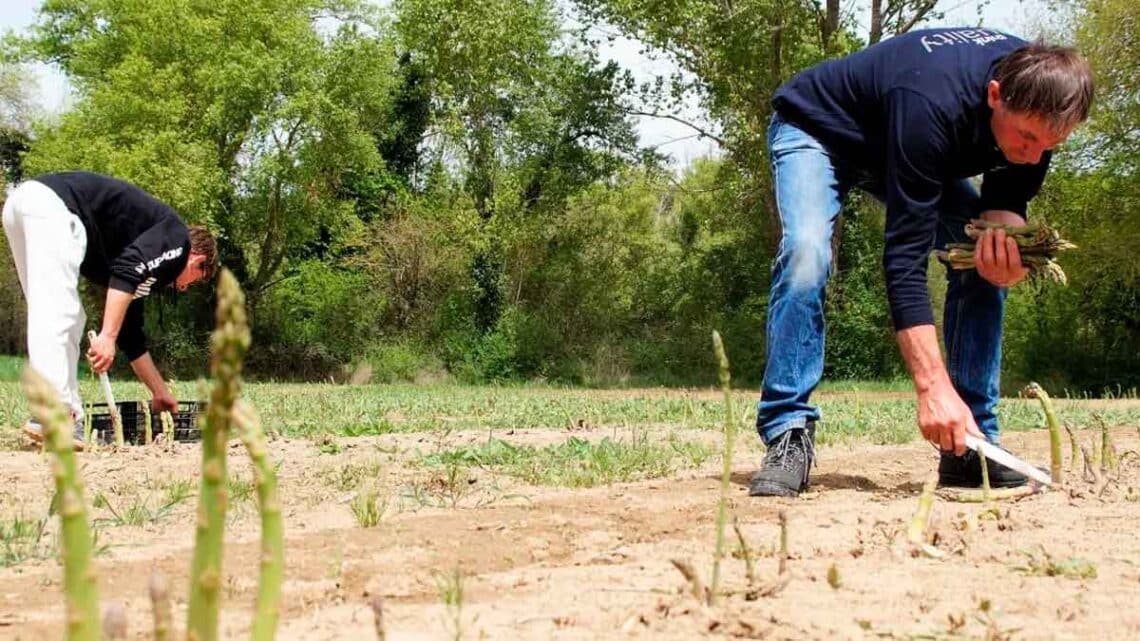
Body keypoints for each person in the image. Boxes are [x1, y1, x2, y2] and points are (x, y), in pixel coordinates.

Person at [749, 28, 1094, 497]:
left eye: (1050, 144)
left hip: (899, 146)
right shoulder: (931, 102)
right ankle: (788, 430)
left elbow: (1002, 213)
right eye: (1027, 138)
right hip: (819, 129)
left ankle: (968, 448)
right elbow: (904, 261)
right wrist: (932, 388)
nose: (1034, 155)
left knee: (980, 255)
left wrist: (1008, 263)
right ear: (995, 95)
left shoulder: (1040, 100)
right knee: (807, 250)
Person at [2, 171, 217, 449]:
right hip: (52, 207)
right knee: (62, 312)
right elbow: (127, 271)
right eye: (195, 281)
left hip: (21, 206)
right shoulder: (177, 240)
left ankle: (59, 414)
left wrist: (160, 392)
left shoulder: (148, 257)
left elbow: (132, 336)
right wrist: (106, 337)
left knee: (53, 309)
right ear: (197, 260)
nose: (185, 288)